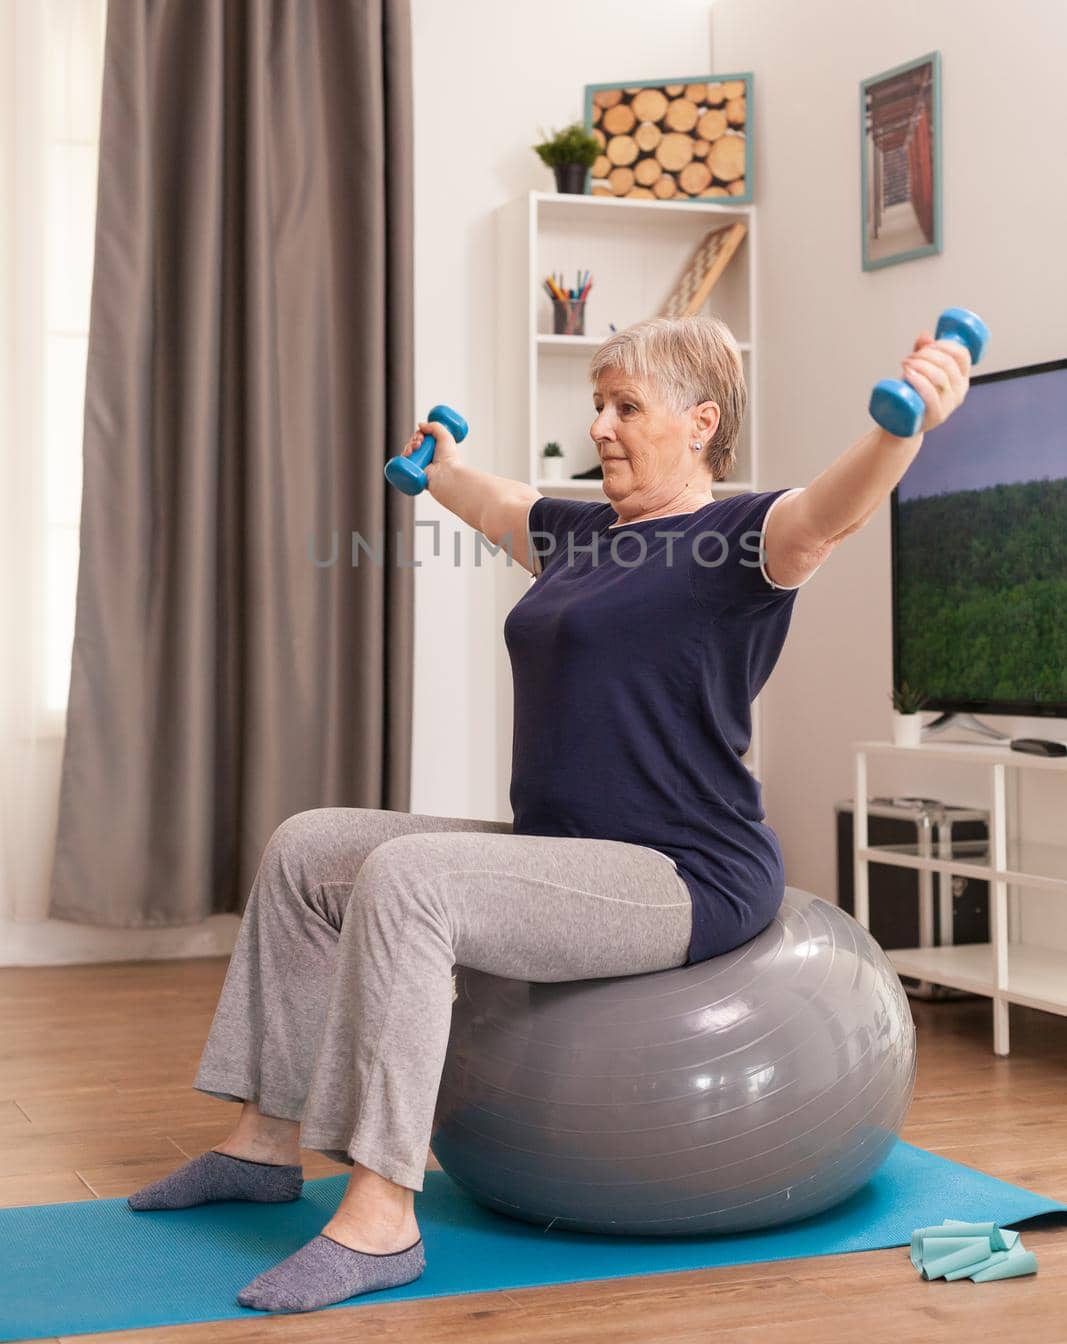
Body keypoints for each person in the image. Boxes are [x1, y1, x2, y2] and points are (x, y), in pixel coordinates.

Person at [126, 314, 972, 1314]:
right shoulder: (579, 534)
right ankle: (263, 1144)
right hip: (563, 851)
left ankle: (381, 1215)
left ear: (700, 422)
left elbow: (833, 510)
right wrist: (436, 469)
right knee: (311, 847)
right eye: (597, 406)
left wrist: (905, 424)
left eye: (626, 407)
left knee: (410, 881)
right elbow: (496, 504)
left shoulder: (745, 537)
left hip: (683, 871)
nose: (601, 426)